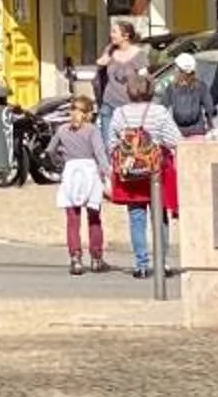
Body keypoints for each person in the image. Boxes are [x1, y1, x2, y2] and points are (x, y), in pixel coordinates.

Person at [104, 70, 183, 278]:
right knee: (160, 218)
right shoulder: (159, 112)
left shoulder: (119, 113)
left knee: (136, 217)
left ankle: (141, 264)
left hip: (131, 173)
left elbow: (112, 144)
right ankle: (162, 262)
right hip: (156, 171)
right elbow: (175, 140)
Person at [49, 89, 109, 276]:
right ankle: (96, 257)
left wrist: (60, 163)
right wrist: (106, 173)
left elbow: (50, 150)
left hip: (71, 171)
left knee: (72, 219)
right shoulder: (92, 130)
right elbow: (100, 154)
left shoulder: (62, 130)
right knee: (94, 217)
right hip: (89, 171)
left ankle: (75, 258)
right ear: (89, 114)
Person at [162, 51, 214, 141]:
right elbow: (210, 108)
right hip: (198, 131)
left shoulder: (171, 88)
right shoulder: (200, 86)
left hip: (177, 133)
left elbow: (163, 108)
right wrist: (210, 125)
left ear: (178, 69)